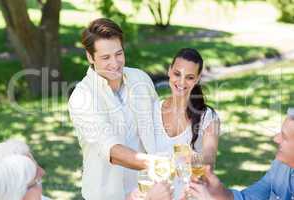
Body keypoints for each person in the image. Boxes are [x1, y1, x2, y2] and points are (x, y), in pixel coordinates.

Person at [68, 18, 158, 200]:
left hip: (147, 192)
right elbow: (112, 150)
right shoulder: (82, 97)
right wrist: (157, 164)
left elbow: (160, 127)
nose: (115, 63)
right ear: (90, 57)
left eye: (119, 54)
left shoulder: (140, 79)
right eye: (105, 57)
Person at [184, 108, 294, 200]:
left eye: (284, 137)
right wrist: (222, 193)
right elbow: (252, 196)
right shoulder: (280, 165)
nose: (276, 139)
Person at [153, 48, 220, 199]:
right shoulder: (153, 111)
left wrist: (192, 157)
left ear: (197, 79)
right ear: (169, 71)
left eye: (189, 77)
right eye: (177, 74)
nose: (181, 82)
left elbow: (210, 158)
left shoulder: (209, 117)